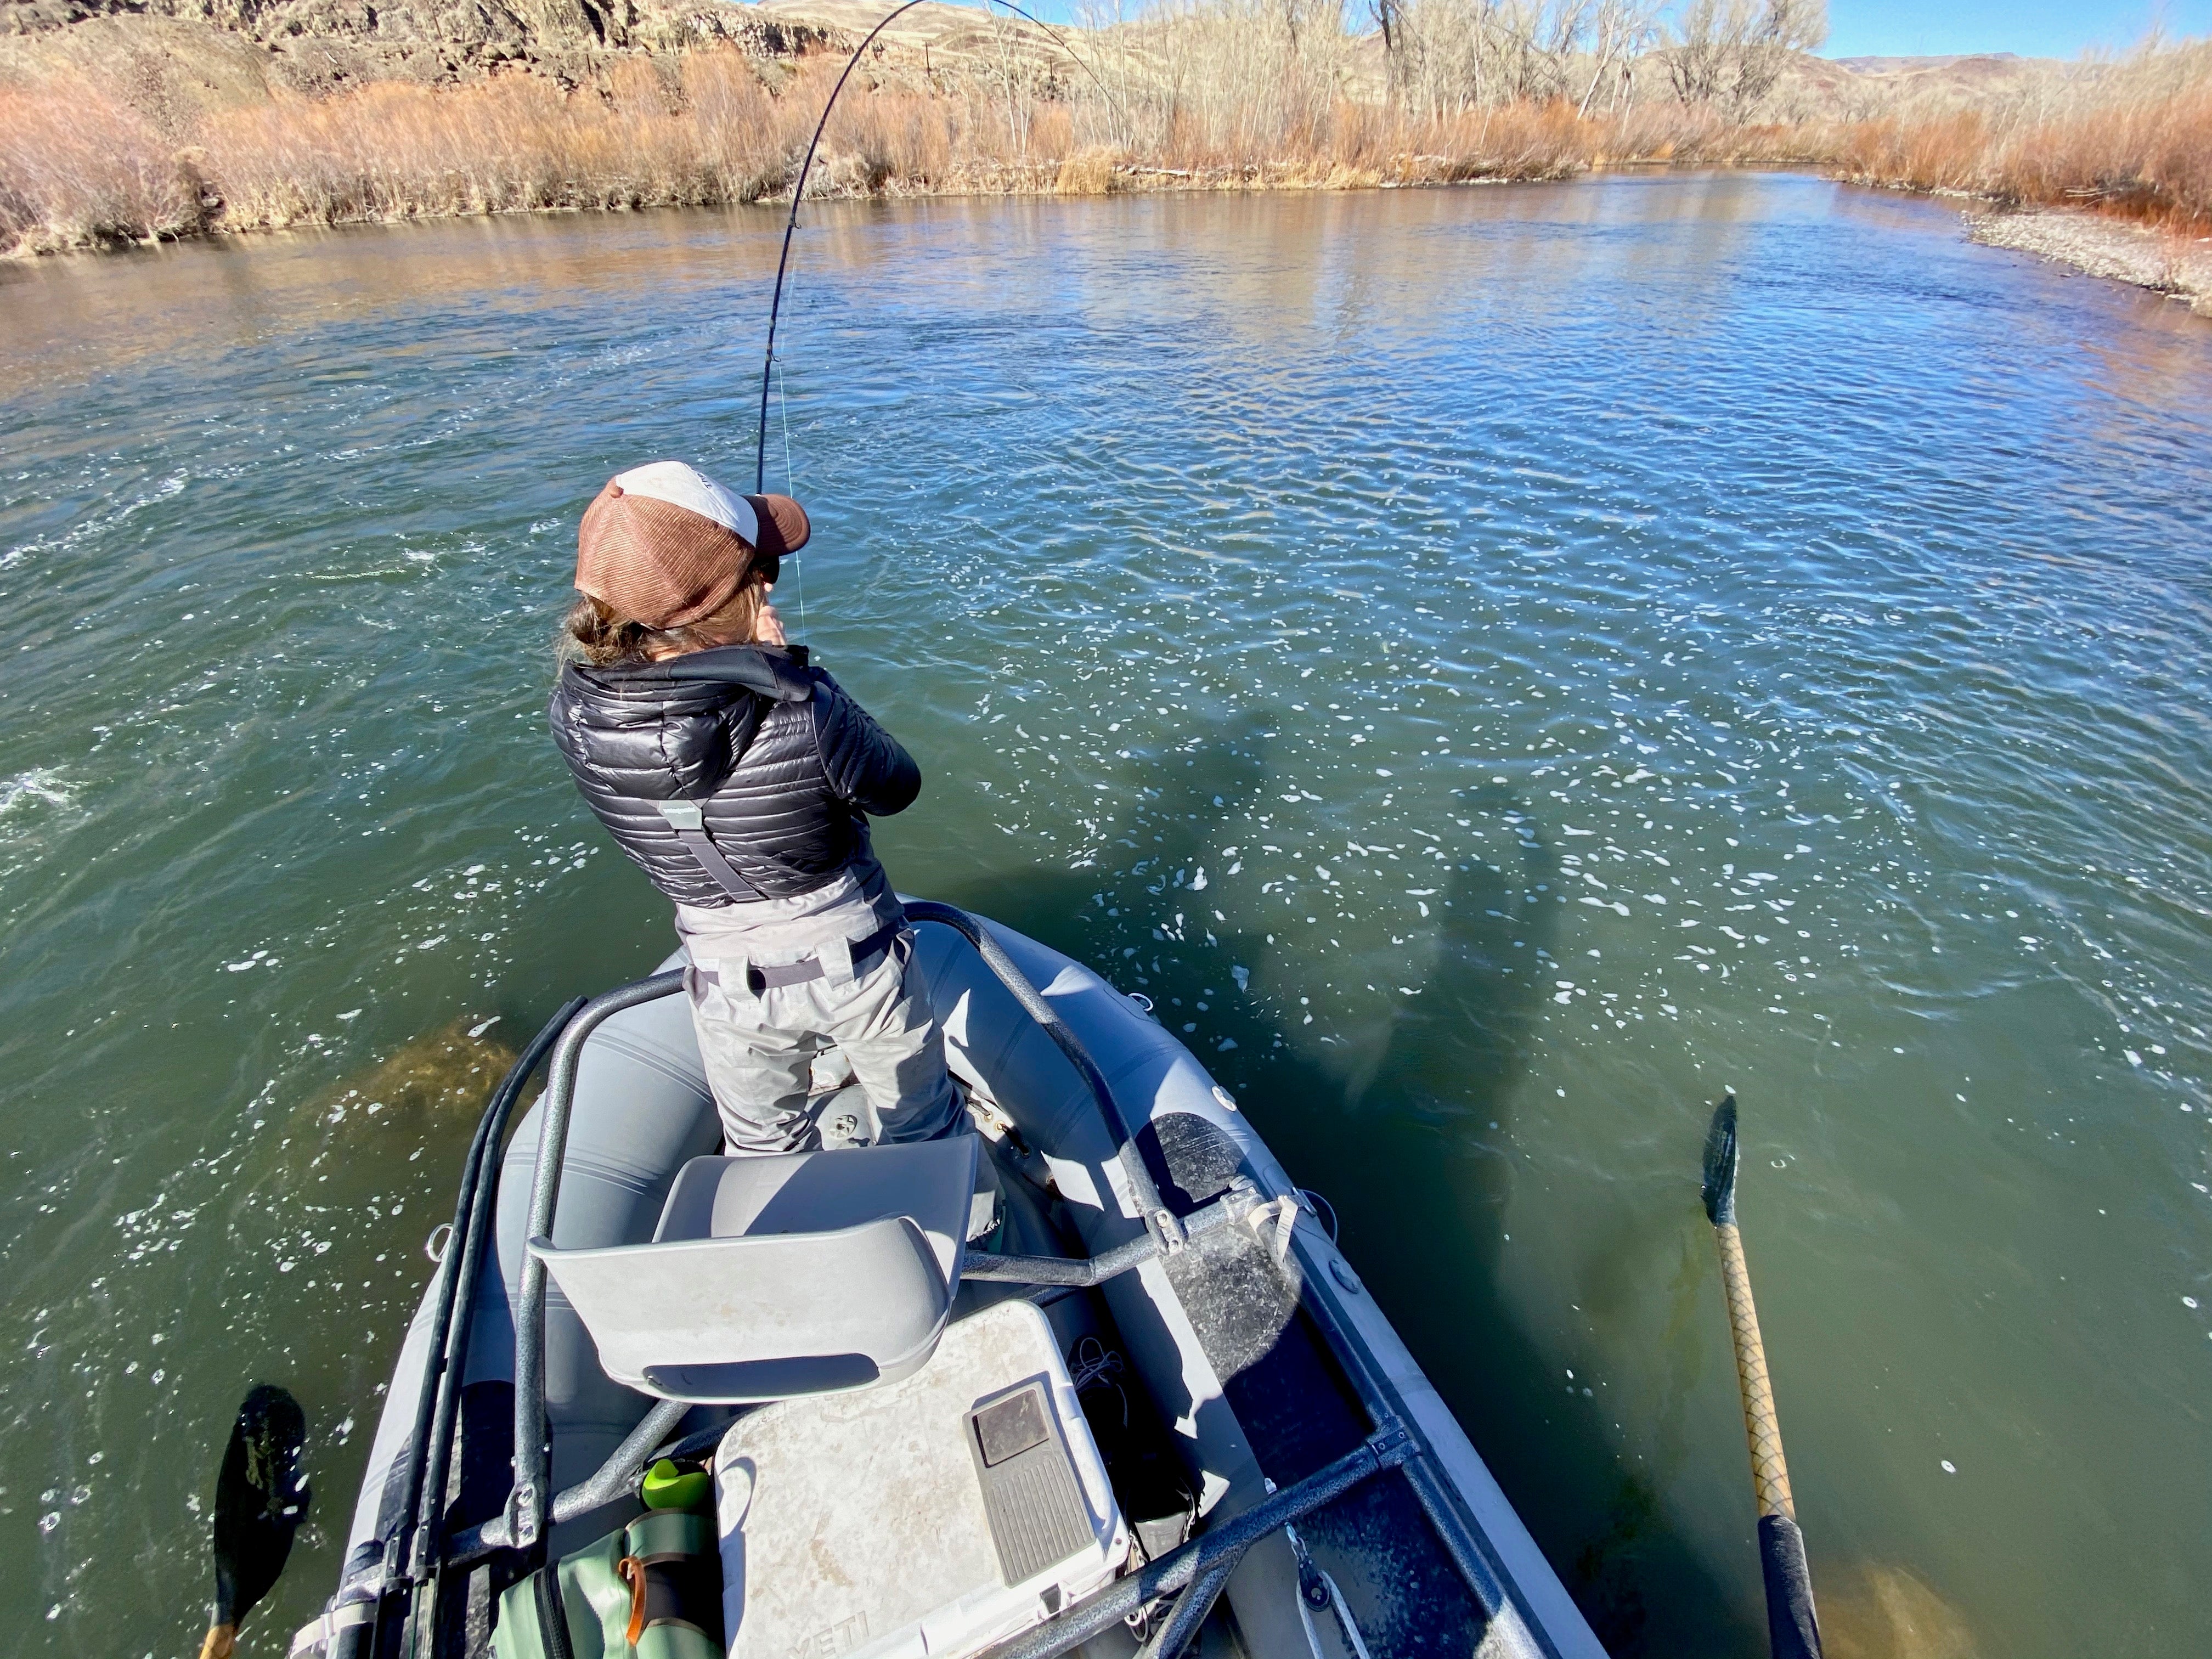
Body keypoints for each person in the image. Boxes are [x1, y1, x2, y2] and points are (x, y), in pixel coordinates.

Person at [548, 460, 962, 1154]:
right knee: (926, 1130)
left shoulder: (573, 713)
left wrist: (752, 667)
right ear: (729, 598)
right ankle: (966, 1243)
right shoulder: (804, 709)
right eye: (758, 571)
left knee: (762, 1145)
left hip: (721, 980)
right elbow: (897, 787)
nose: (769, 579)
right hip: (853, 961)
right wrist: (791, 673)